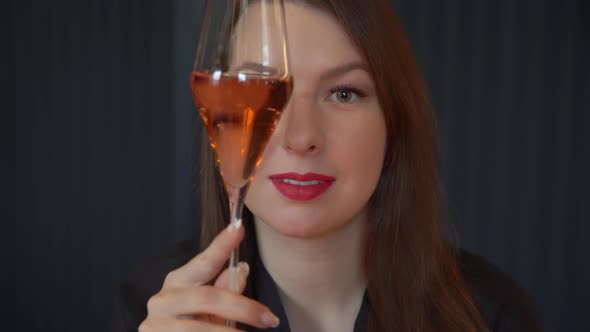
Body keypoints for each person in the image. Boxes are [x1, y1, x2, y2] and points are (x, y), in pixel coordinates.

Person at [112, 0, 543, 331]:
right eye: (265, 89)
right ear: (218, 121)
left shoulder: (492, 315)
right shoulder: (153, 309)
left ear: (394, 121)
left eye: (343, 94)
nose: (301, 139)